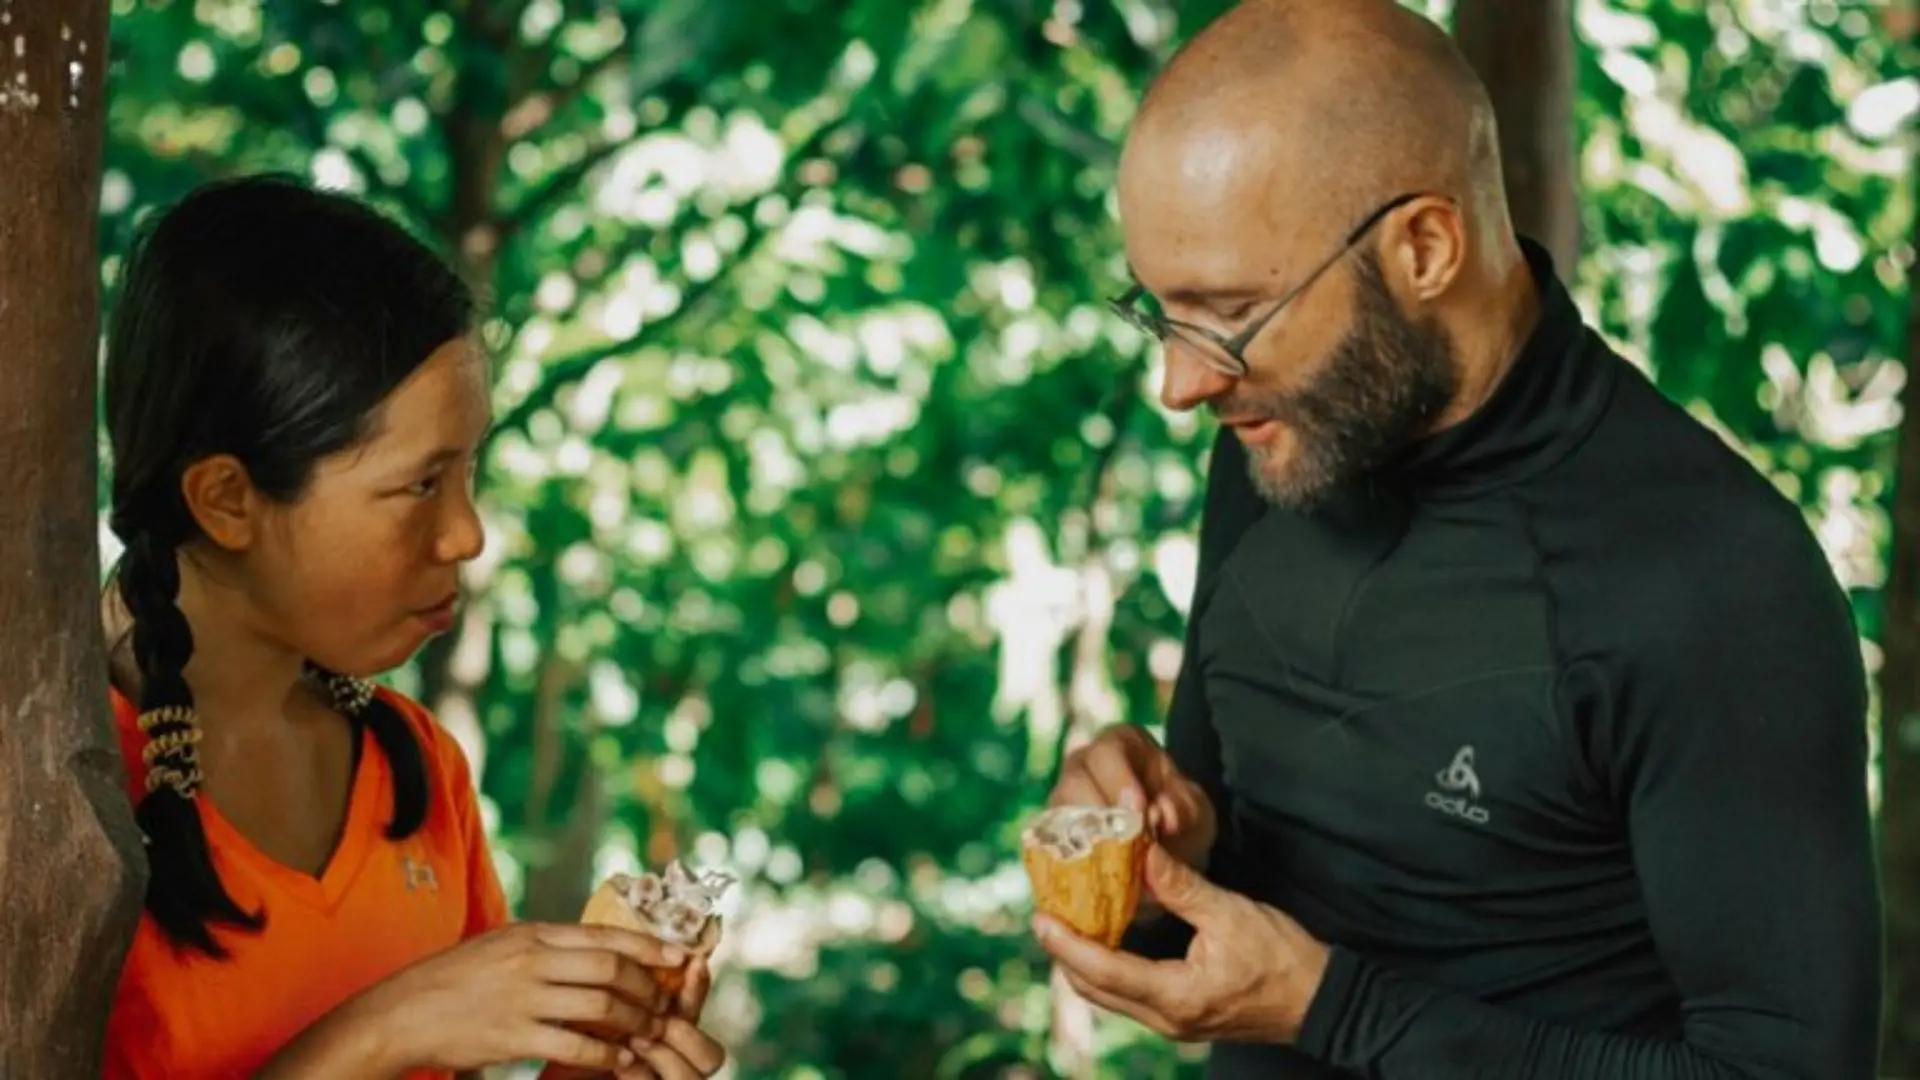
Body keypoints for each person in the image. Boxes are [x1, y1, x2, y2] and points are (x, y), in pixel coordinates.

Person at [1031, 1, 1883, 1077]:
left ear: (1424, 246)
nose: (1181, 382)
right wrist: (1160, 854)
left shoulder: (1711, 575)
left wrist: (1338, 1011)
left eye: (1230, 312)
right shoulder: (1290, 435)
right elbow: (1239, 902)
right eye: (1162, 315)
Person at [99, 174, 726, 1080]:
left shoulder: (415, 769)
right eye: (421, 484)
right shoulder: (49, 800)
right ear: (228, 499)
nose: (468, 533)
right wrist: (383, 1030)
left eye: (470, 470)